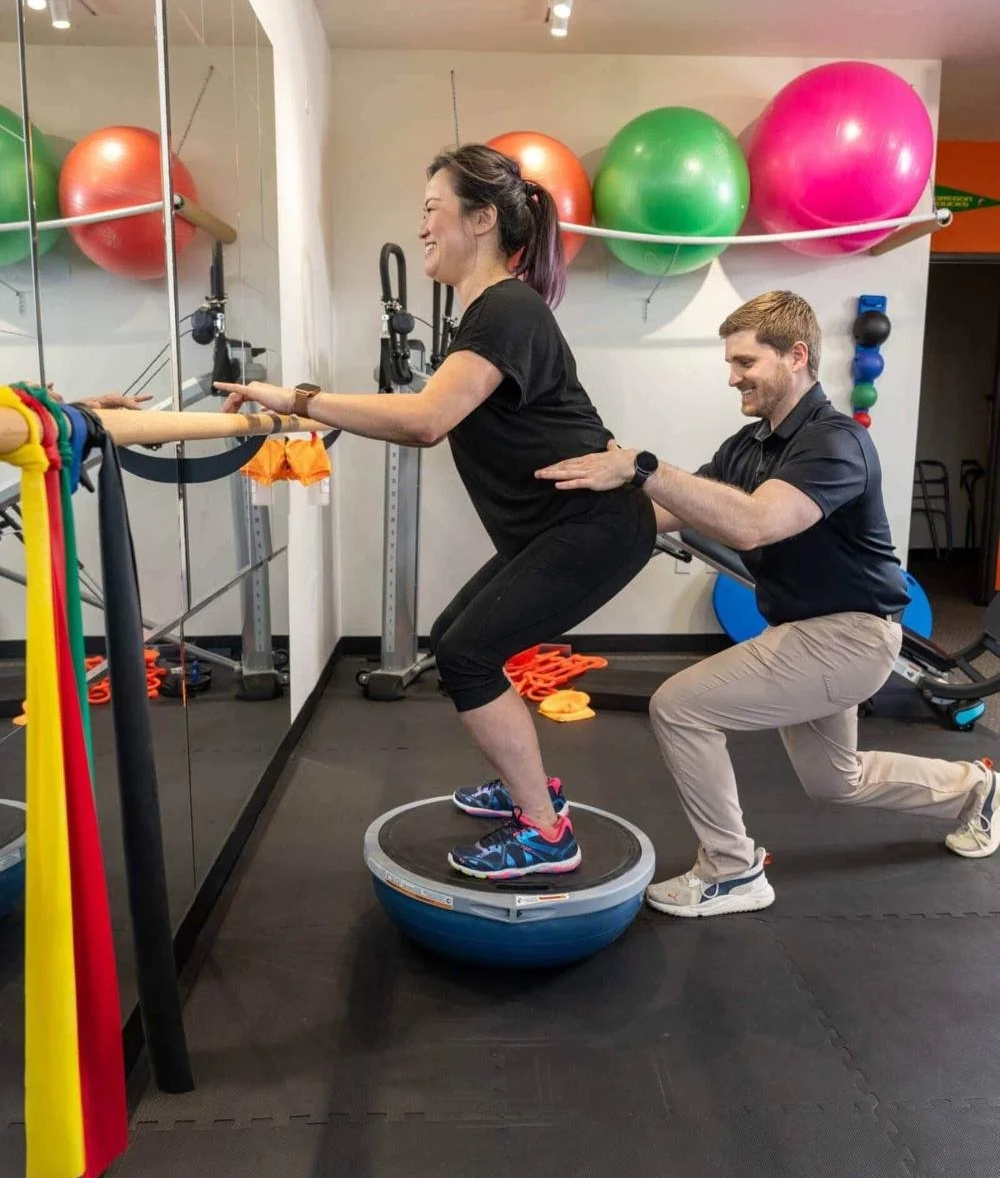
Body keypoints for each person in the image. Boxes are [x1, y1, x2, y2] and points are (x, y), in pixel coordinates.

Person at [216, 144, 657, 880]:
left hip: (592, 529)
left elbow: (426, 418)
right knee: (456, 636)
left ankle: (547, 833)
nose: (421, 227)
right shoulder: (491, 313)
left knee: (465, 655)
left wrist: (294, 398)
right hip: (558, 530)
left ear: (481, 219)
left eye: (431, 208)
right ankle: (529, 787)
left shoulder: (506, 307)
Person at [536, 289, 999, 917]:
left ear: (796, 356)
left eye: (746, 362)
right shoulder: (749, 447)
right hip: (807, 633)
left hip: (850, 635)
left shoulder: (834, 443)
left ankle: (731, 870)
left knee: (680, 707)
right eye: (731, 363)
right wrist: (577, 511)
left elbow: (754, 523)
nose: (733, 377)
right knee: (837, 780)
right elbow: (669, 510)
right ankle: (978, 788)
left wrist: (642, 463)